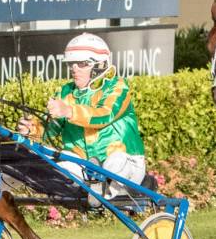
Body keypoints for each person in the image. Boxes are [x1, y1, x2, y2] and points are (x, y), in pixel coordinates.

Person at [16, 32, 146, 204]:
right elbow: (50, 131)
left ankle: (100, 189)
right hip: (85, 167)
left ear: (100, 65)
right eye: (71, 63)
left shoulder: (118, 87)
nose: (74, 68)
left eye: (82, 64)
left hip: (127, 165)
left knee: (115, 161)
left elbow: (104, 115)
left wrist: (69, 111)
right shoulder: (65, 92)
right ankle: (95, 186)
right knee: (59, 160)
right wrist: (31, 129)